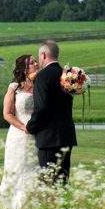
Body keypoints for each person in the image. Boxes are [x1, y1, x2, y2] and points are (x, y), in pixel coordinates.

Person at [26, 40, 77, 185]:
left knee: (48, 182)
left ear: (43, 55)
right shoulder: (67, 76)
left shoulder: (43, 76)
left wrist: (31, 126)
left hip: (49, 137)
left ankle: (50, 207)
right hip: (66, 134)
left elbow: (42, 107)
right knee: (62, 181)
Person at [0, 54, 40, 209]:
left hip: (36, 136)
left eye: (36, 61)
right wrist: (23, 127)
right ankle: (9, 208)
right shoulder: (14, 87)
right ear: (24, 68)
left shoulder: (40, 86)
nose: (36, 64)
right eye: (32, 63)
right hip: (17, 135)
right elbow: (7, 113)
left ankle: (29, 207)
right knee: (15, 169)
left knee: (32, 170)